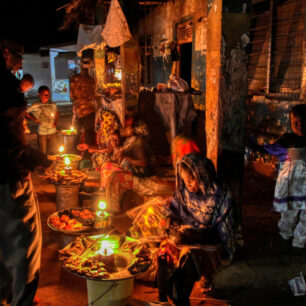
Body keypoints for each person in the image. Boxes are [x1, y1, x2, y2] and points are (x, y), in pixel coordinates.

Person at [0, 36, 53, 306]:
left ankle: (9, 294)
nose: (20, 60)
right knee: (25, 247)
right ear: (4, 53)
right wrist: (36, 159)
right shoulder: (6, 87)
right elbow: (8, 140)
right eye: (16, 54)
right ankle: (22, 299)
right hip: (9, 179)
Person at [156, 152, 241, 305]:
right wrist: (168, 219)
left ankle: (180, 298)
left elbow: (226, 231)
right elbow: (172, 208)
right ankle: (162, 299)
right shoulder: (185, 192)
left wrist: (228, 253)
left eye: (191, 180)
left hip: (208, 242)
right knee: (163, 254)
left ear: (202, 174)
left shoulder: (220, 195)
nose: (188, 185)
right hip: (185, 237)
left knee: (189, 260)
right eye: (185, 180)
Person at [247, 104, 306, 248]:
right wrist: (251, 144)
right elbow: (269, 149)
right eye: (295, 123)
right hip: (292, 187)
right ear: (291, 123)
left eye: (303, 122)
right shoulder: (287, 140)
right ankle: (284, 238)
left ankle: (299, 243)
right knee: (289, 214)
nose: (300, 126)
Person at [69, 55, 97, 158]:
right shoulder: (92, 80)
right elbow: (95, 95)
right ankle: (86, 157)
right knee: (88, 134)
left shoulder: (73, 79)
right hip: (89, 111)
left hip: (78, 110)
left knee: (77, 133)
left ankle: (74, 154)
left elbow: (72, 96)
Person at [26, 85, 58, 155]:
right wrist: (34, 119)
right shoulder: (36, 105)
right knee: (42, 154)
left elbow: (57, 112)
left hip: (53, 132)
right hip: (42, 133)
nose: (47, 96)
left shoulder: (52, 104)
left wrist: (56, 122)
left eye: (48, 94)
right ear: (39, 95)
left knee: (54, 153)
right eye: (45, 94)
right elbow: (25, 112)